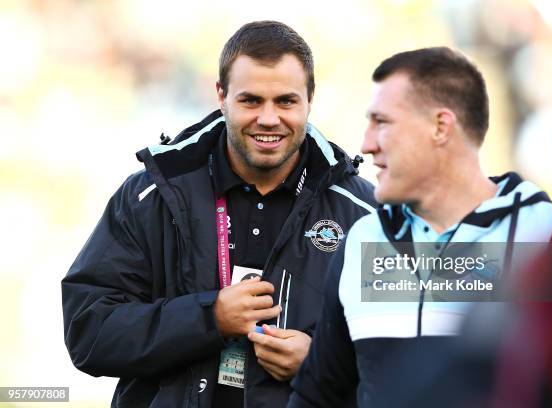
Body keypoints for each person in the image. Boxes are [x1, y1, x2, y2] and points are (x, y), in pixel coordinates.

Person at [62, 21, 375, 407]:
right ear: (221, 96)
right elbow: (89, 331)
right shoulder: (150, 195)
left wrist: (323, 361)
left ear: (310, 99)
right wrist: (210, 318)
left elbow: (413, 356)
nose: (268, 118)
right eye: (250, 100)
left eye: (286, 101)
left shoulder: (365, 214)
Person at [288, 47, 552, 407]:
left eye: (382, 122)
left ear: (441, 126)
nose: (367, 144)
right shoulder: (361, 240)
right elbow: (317, 396)